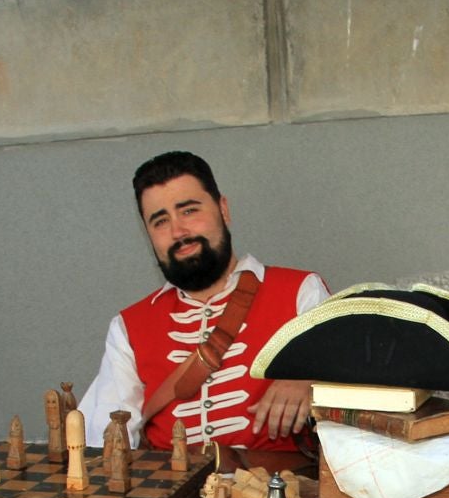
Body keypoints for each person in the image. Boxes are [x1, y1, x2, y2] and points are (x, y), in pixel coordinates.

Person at [77, 151, 328, 467]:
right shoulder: (129, 326)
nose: (178, 231)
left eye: (189, 211)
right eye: (160, 221)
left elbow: (362, 388)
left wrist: (314, 380)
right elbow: (104, 439)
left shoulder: (300, 292)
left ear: (223, 210)